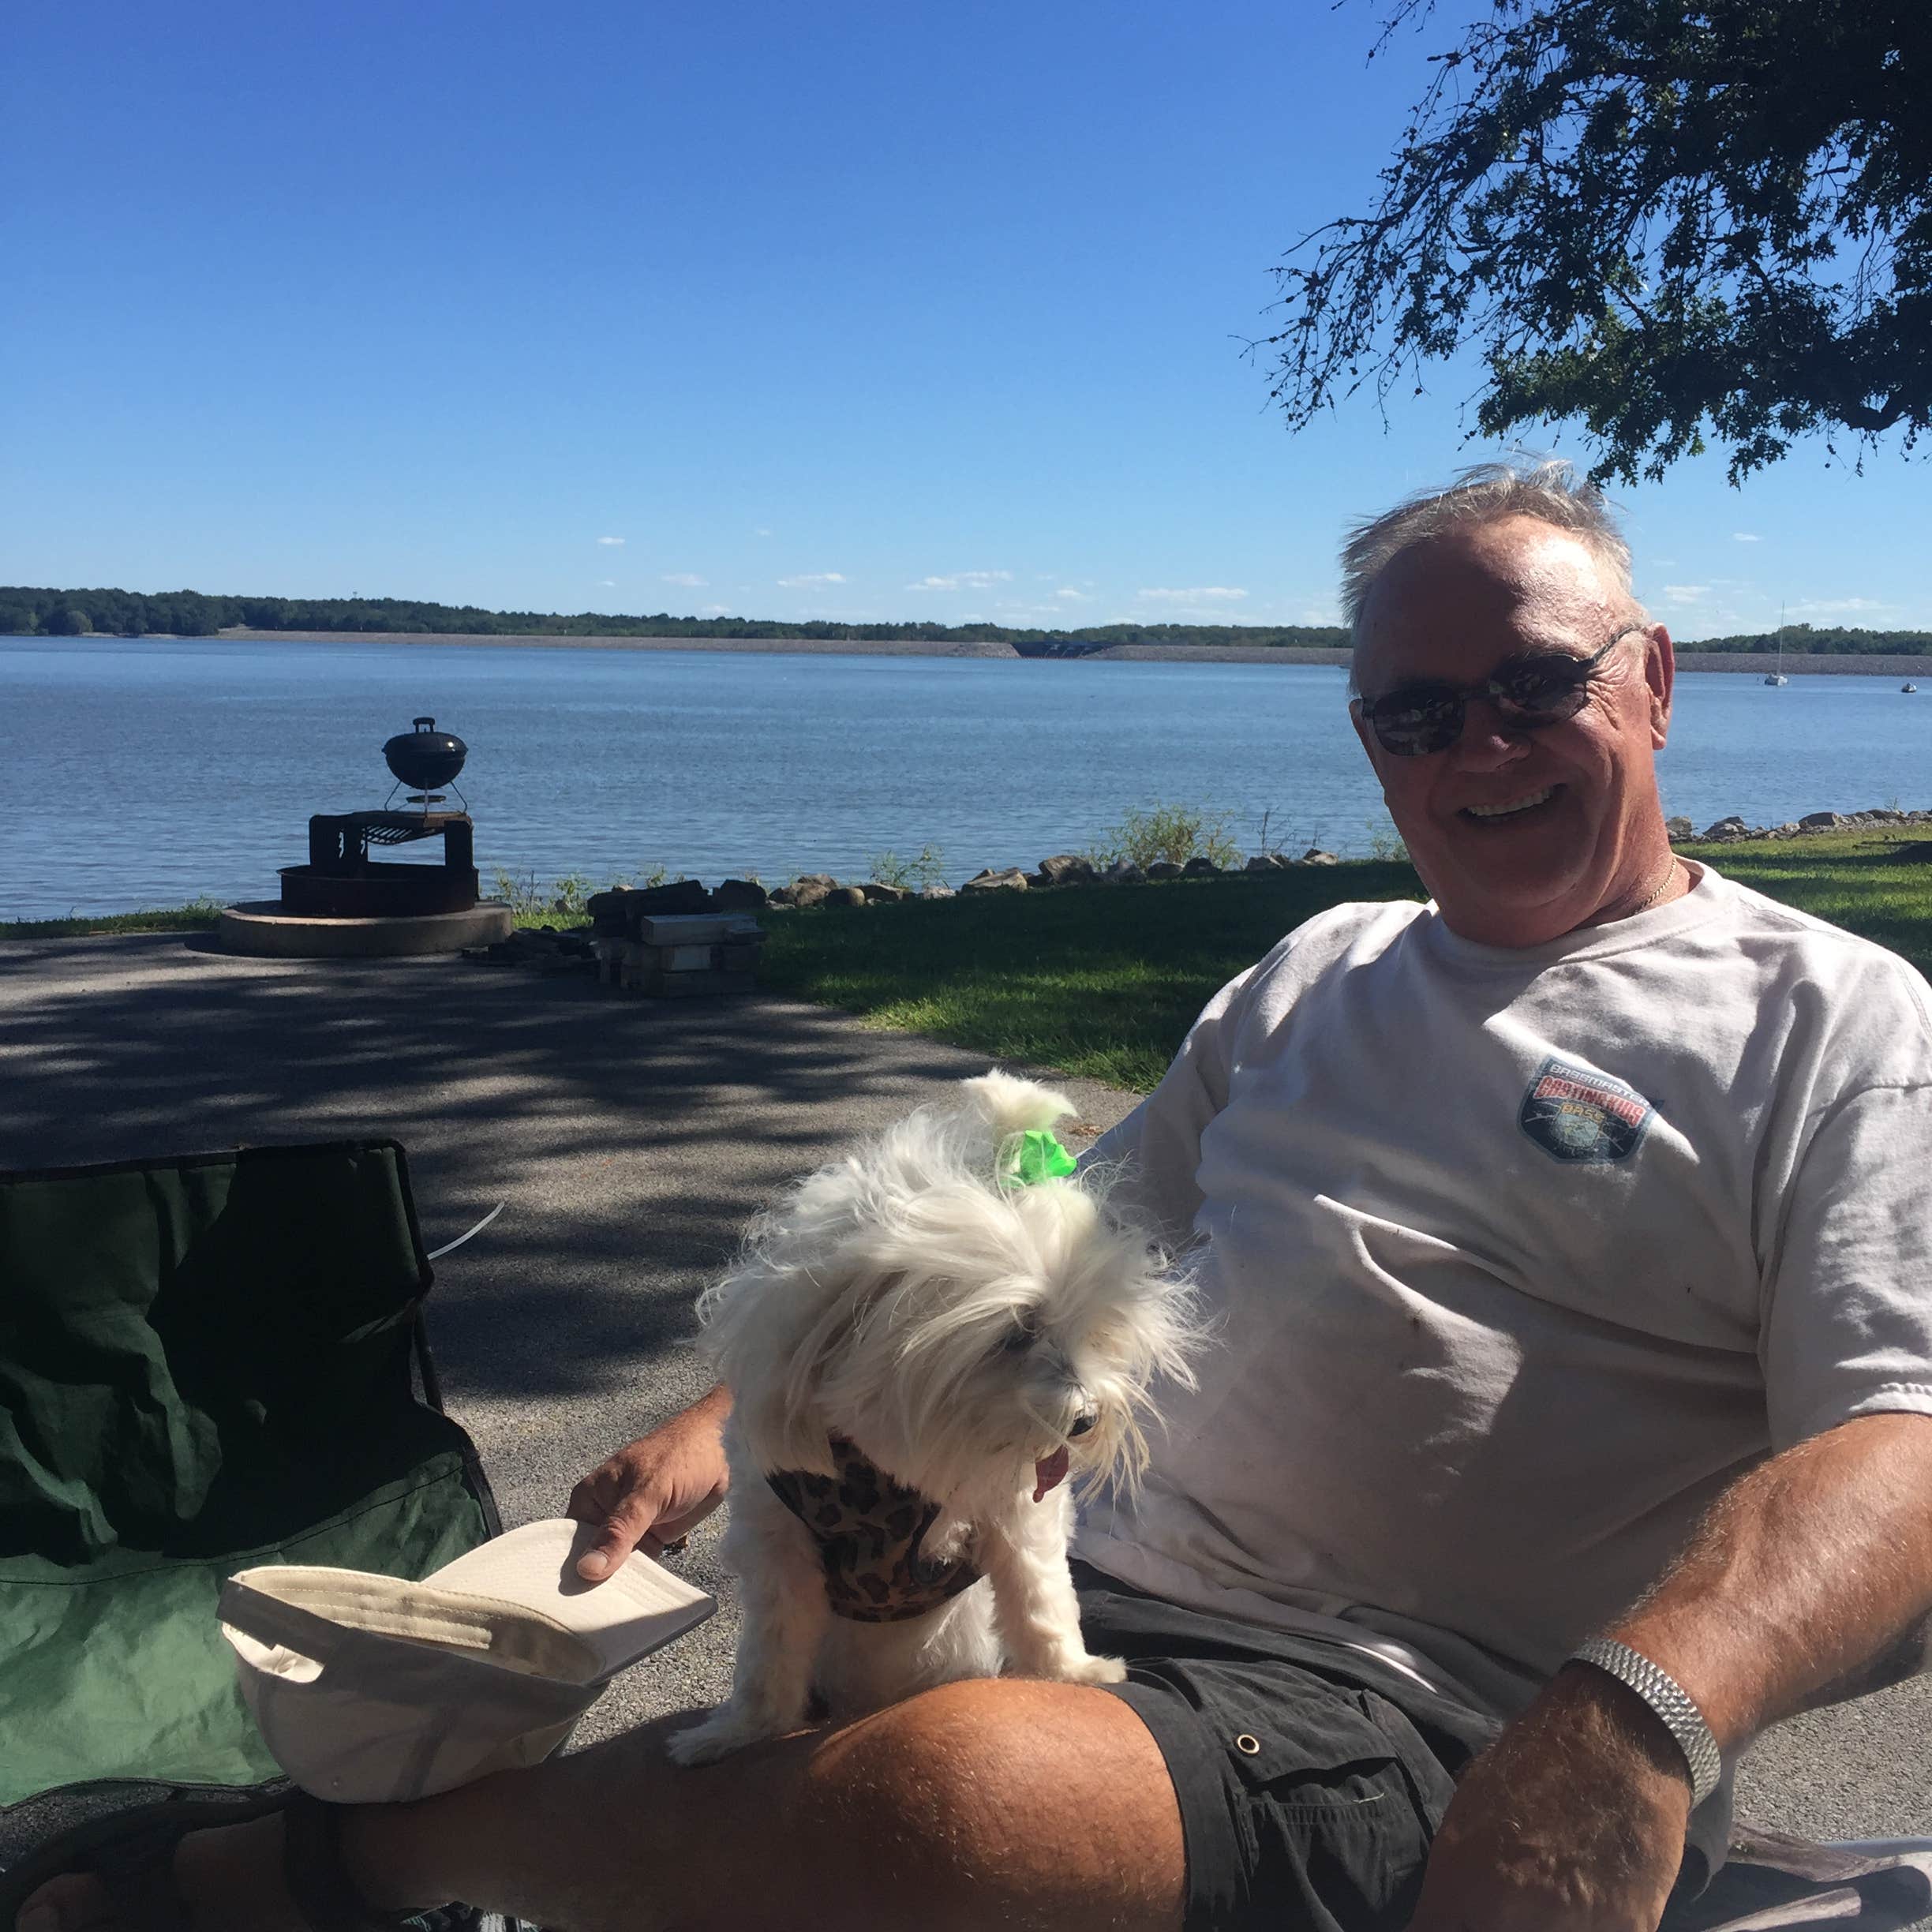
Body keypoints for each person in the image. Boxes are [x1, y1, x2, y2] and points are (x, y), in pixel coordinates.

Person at [17, 461, 1932, 1932]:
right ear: (1368, 740)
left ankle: (326, 1869)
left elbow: (1901, 1442)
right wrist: (728, 1412)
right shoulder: (1320, 967)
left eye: (1534, 686)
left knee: (973, 1807)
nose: (1478, 749)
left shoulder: (1825, 1017)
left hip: (1434, 1703)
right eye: (1416, 716)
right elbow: (1083, 1215)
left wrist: (1636, 1720)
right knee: (838, 1720)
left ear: (1654, 682)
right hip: (1063, 1580)